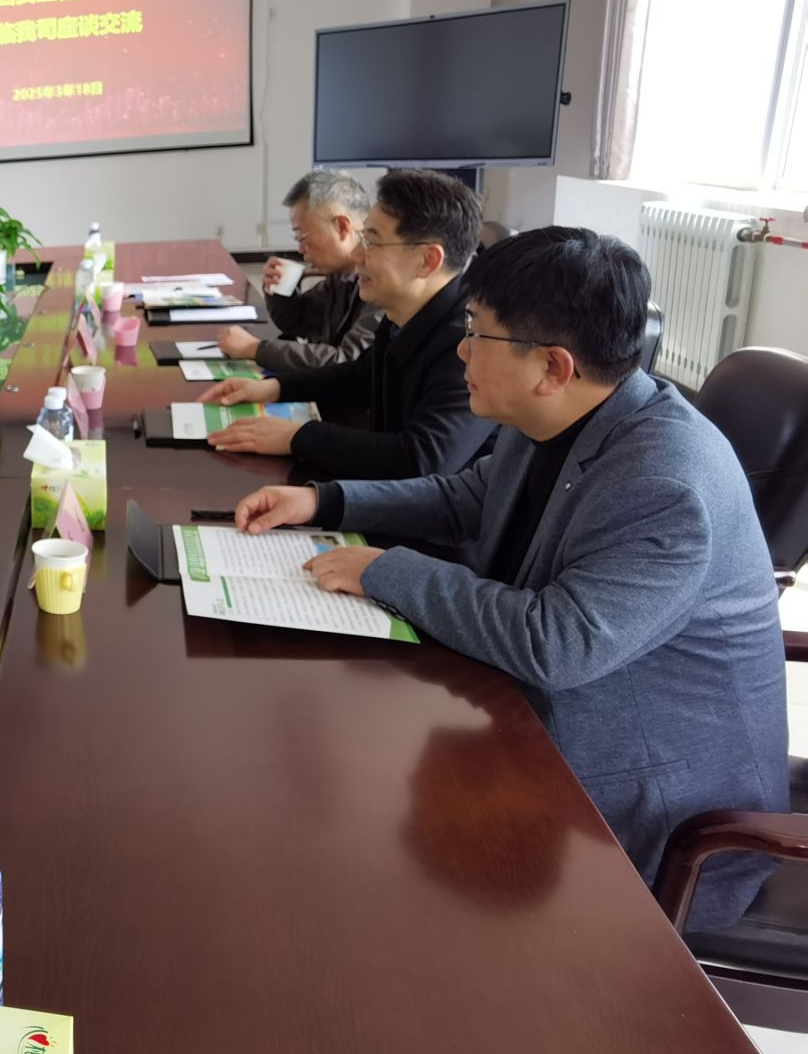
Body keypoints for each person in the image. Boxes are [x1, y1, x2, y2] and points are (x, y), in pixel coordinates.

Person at [232, 227, 785, 930]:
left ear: (552, 365)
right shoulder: (564, 411)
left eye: (476, 333)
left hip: (651, 825)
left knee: (369, 874)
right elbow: (468, 496)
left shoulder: (666, 482)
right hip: (537, 732)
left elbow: (557, 644)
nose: (461, 350)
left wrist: (385, 569)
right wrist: (327, 502)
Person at [196, 168, 492, 479]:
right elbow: (358, 376)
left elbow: (420, 458)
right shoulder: (403, 313)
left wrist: (296, 436)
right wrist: (272, 388)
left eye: (372, 242)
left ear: (427, 260)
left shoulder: (472, 342)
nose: (357, 253)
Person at [217, 170, 382, 371]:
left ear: (342, 227)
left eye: (303, 238)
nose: (301, 249)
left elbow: (347, 361)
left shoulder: (383, 283)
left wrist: (254, 348)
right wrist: (280, 290)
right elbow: (298, 322)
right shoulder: (341, 277)